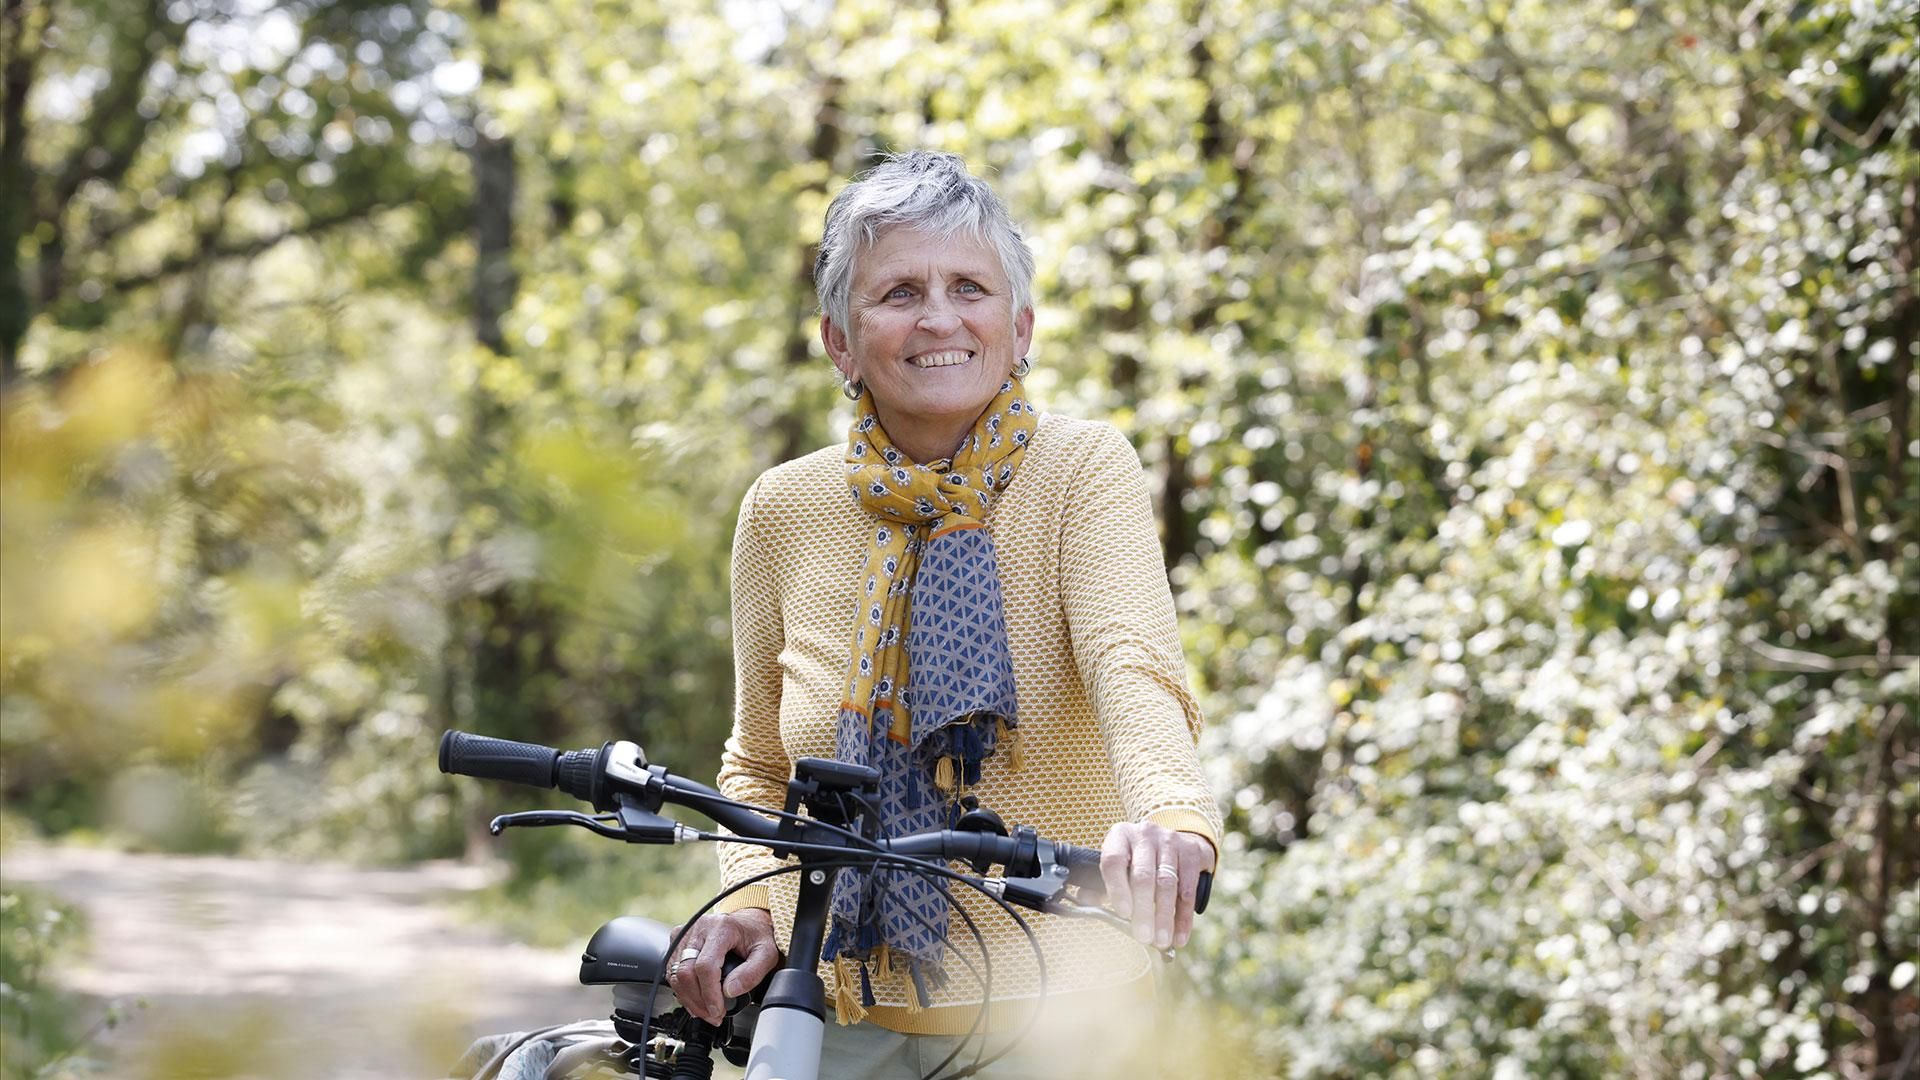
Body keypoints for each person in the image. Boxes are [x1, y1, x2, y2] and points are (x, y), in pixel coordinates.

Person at [667, 150, 1220, 1078]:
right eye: (899, 293)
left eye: (969, 287)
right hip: (829, 1005)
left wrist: (1173, 817)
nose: (938, 317)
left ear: (1020, 326)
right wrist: (752, 902)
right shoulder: (782, 509)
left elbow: (1132, 666)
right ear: (841, 341)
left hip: (1061, 1015)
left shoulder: (1083, 470)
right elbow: (759, 764)